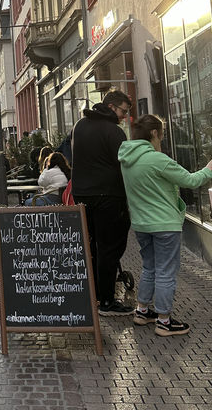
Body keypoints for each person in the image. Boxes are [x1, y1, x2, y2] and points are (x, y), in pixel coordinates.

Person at [118, 114, 212, 336]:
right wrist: (209, 168)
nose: (162, 137)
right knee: (166, 272)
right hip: (164, 224)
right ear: (154, 133)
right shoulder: (157, 159)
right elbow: (190, 181)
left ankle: (142, 311)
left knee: (150, 267)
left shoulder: (127, 159)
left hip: (141, 224)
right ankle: (164, 320)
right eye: (162, 133)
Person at [72, 89, 133, 316]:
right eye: (123, 112)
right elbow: (123, 166)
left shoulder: (80, 125)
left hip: (82, 195)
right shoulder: (114, 132)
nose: (124, 117)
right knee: (110, 248)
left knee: (93, 246)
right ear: (111, 107)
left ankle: (96, 295)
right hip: (108, 196)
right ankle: (107, 301)